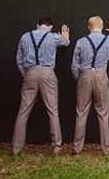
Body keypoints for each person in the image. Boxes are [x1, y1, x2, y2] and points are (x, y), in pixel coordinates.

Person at [12, 17, 70, 156]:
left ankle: (16, 149)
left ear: (37, 25)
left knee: (23, 111)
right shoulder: (53, 37)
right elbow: (66, 42)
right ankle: (56, 147)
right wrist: (66, 36)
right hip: (48, 74)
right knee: (53, 111)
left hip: (30, 73)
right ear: (50, 27)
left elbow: (19, 60)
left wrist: (27, 74)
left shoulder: (25, 37)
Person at [71, 16, 109, 155]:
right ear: (102, 26)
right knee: (103, 113)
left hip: (84, 76)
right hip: (101, 75)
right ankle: (106, 149)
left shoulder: (81, 42)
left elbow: (74, 66)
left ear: (88, 27)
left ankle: (77, 148)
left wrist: (80, 79)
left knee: (81, 112)